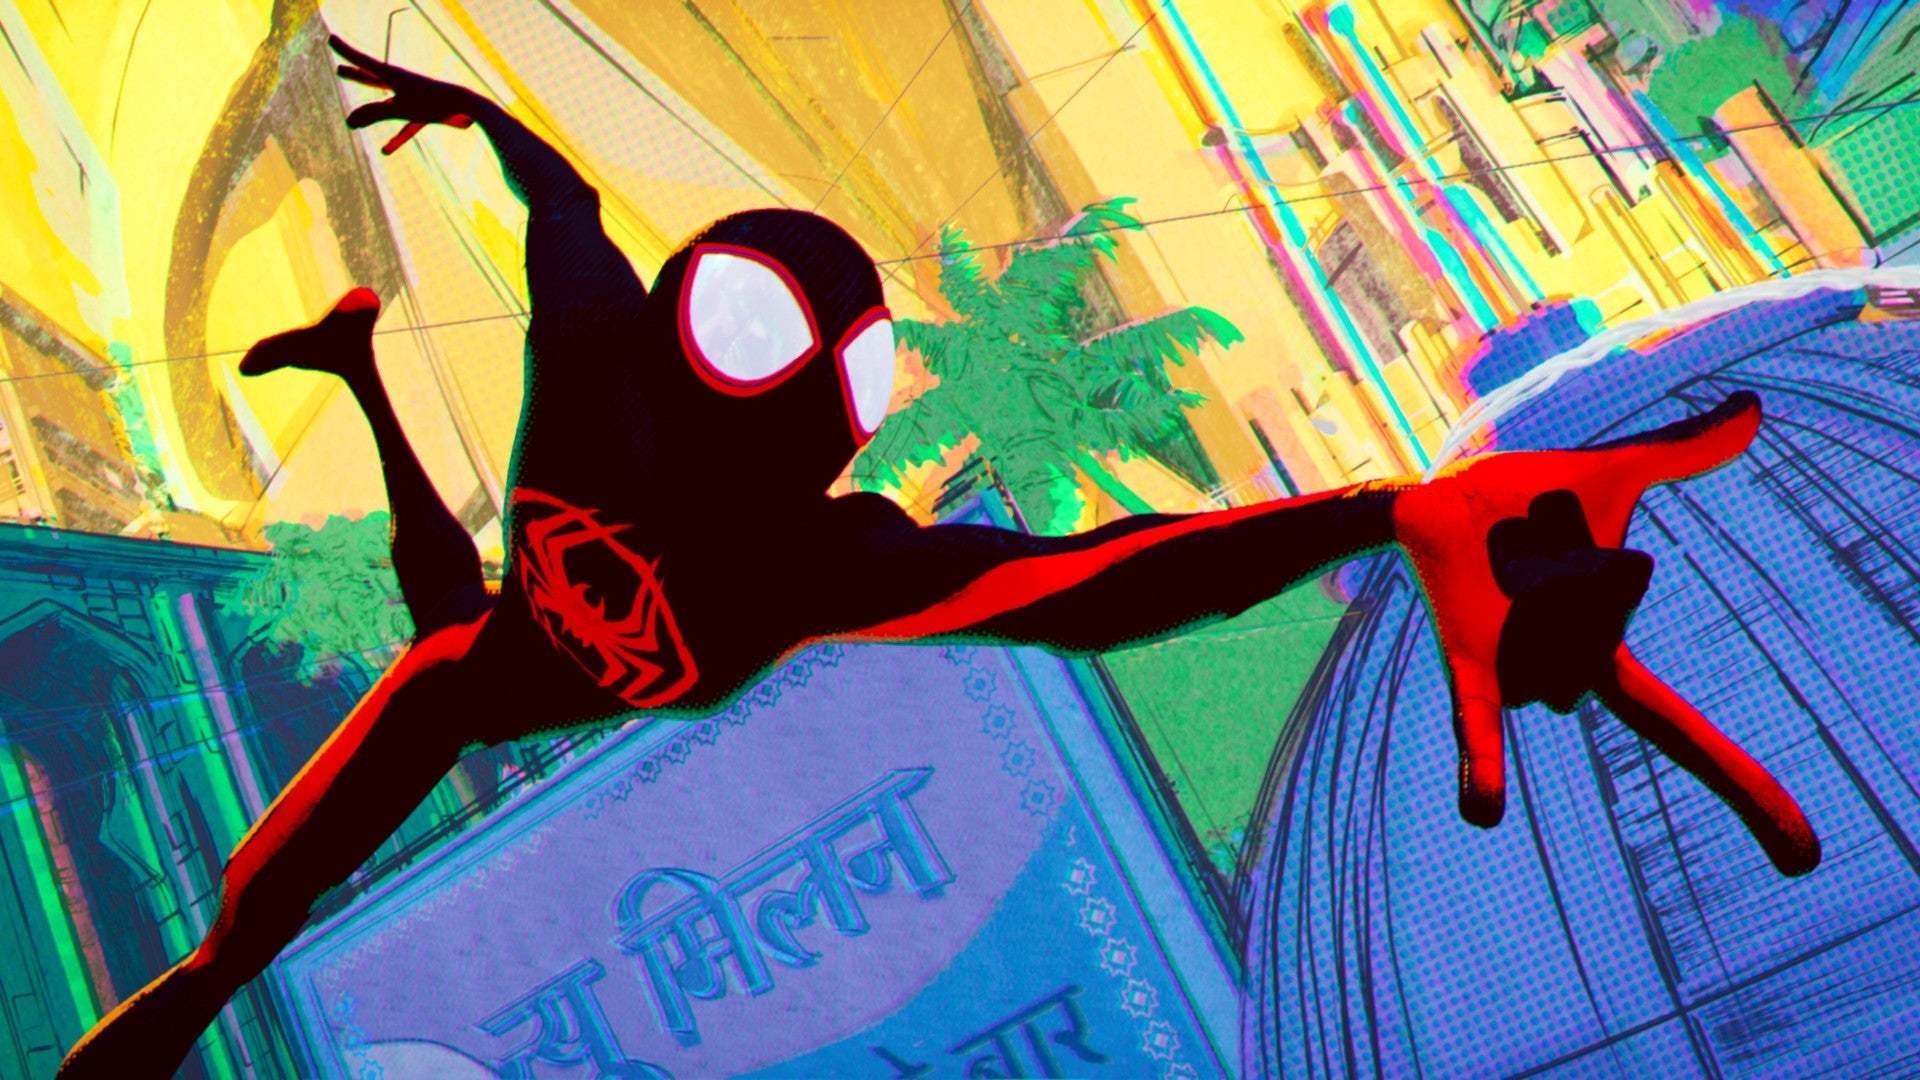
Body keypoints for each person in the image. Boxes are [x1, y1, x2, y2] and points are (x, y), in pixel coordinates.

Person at [56, 35, 1820, 1078]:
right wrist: (475, 119)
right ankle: (360, 372)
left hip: (524, 656)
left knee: (452, 647)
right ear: (695, 327)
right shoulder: (604, 370)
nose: (793, 391)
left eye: (840, 371)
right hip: (499, 663)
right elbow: (567, 210)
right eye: (762, 334)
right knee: (437, 665)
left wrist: (1380, 511)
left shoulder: (822, 555)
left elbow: (1103, 583)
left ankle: (360, 371)